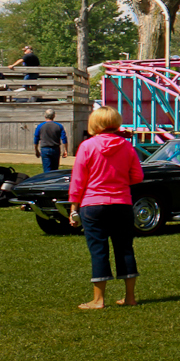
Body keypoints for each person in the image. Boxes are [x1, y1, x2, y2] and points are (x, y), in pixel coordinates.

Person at [66, 107, 144, 309]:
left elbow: (78, 180)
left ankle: (98, 299)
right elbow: (137, 177)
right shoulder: (127, 146)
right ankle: (130, 297)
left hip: (93, 204)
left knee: (98, 250)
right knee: (125, 248)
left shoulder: (87, 146)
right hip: (121, 203)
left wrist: (74, 207)